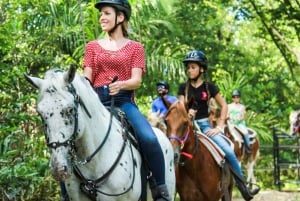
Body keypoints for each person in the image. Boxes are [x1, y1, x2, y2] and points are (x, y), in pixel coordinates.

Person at [82, 1, 171, 200]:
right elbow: (87, 76)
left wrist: (120, 85)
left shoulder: (135, 48)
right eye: (101, 14)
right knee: (71, 139)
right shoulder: (92, 47)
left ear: (120, 17)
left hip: (123, 101)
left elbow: (137, 80)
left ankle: (160, 190)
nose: (101, 18)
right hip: (95, 102)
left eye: (106, 13)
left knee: (149, 138)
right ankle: (67, 193)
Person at [178, 50, 260, 201]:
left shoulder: (210, 87)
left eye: (193, 67)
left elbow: (224, 106)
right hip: (188, 126)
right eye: (188, 67)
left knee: (229, 151)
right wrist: (186, 113)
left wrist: (219, 126)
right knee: (173, 151)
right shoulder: (184, 87)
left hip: (205, 126)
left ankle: (243, 187)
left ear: (201, 69)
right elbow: (180, 107)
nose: (190, 70)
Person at [227, 90, 252, 154]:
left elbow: (243, 117)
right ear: (232, 98)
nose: (236, 98)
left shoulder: (242, 107)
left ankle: (248, 148)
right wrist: (228, 118)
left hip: (239, 124)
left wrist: (237, 120)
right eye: (234, 97)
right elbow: (227, 115)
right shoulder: (229, 106)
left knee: (245, 133)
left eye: (237, 97)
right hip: (231, 123)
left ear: (239, 98)